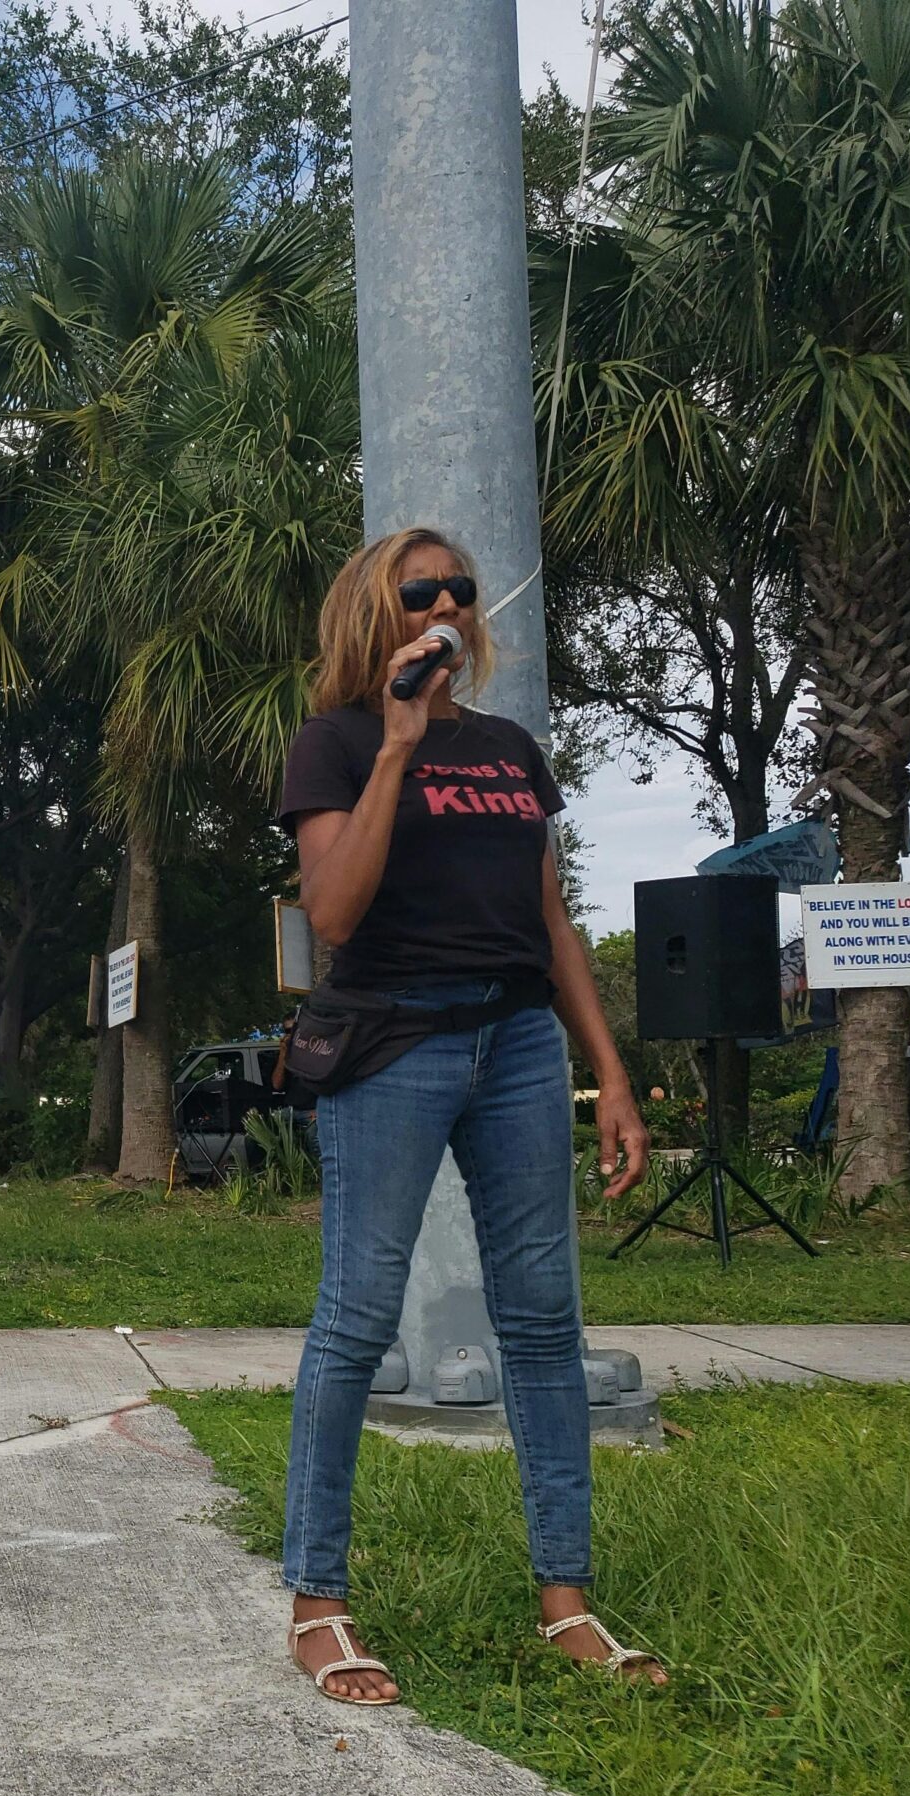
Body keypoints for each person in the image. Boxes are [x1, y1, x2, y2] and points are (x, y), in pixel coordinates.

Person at [275, 528, 662, 1705]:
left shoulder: (507, 750)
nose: (444, 604)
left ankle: (565, 1600)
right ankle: (317, 1601)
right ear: (372, 614)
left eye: (458, 590)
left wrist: (609, 1074)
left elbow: (548, 923)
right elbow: (333, 912)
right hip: (394, 1041)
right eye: (417, 591)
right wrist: (394, 749)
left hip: (517, 1046)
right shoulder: (334, 742)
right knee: (356, 1315)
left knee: (542, 1322)